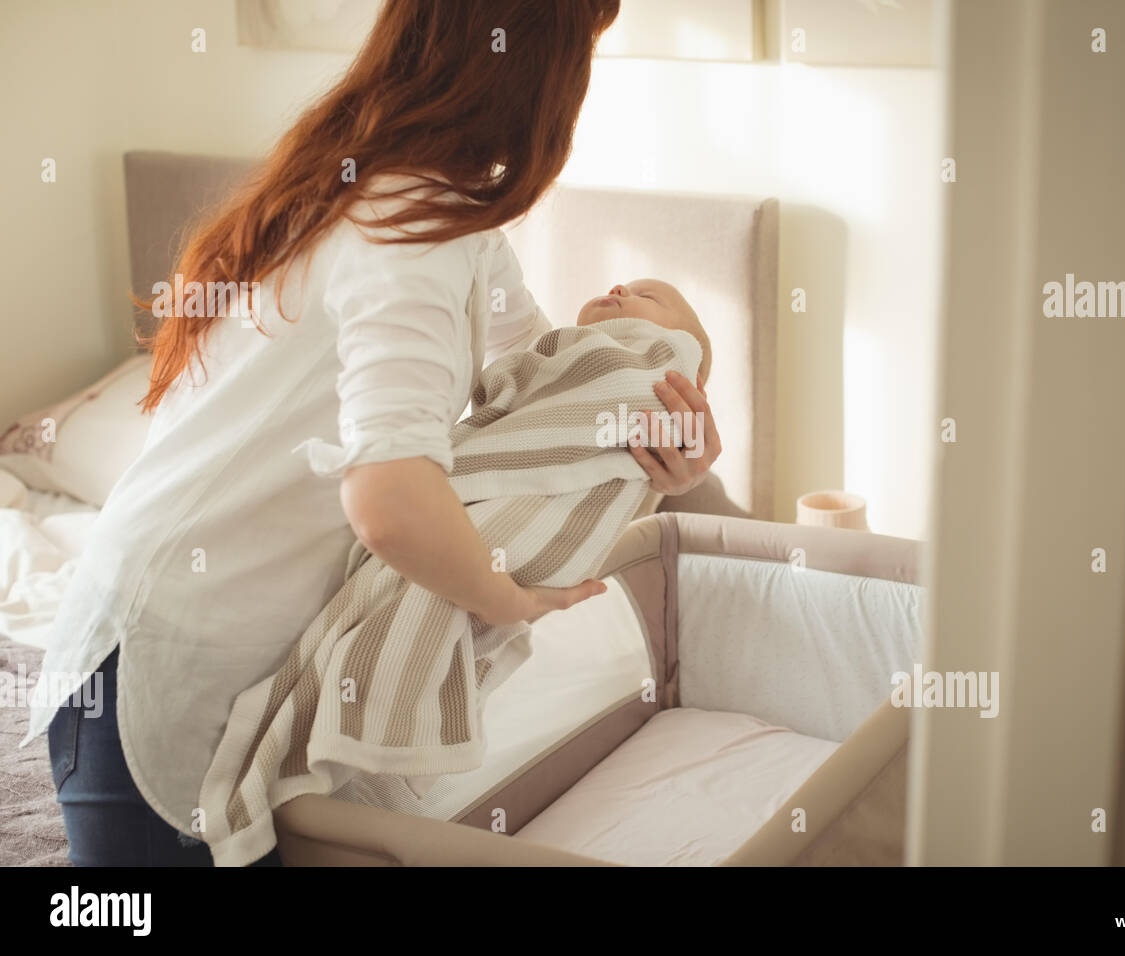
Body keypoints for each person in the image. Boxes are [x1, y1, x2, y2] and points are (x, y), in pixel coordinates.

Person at [26, 0, 721, 867]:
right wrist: (505, 598)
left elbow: (541, 376)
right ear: (539, 73)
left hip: (201, 643)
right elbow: (388, 497)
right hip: (154, 663)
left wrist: (667, 445)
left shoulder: (421, 206)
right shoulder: (411, 231)